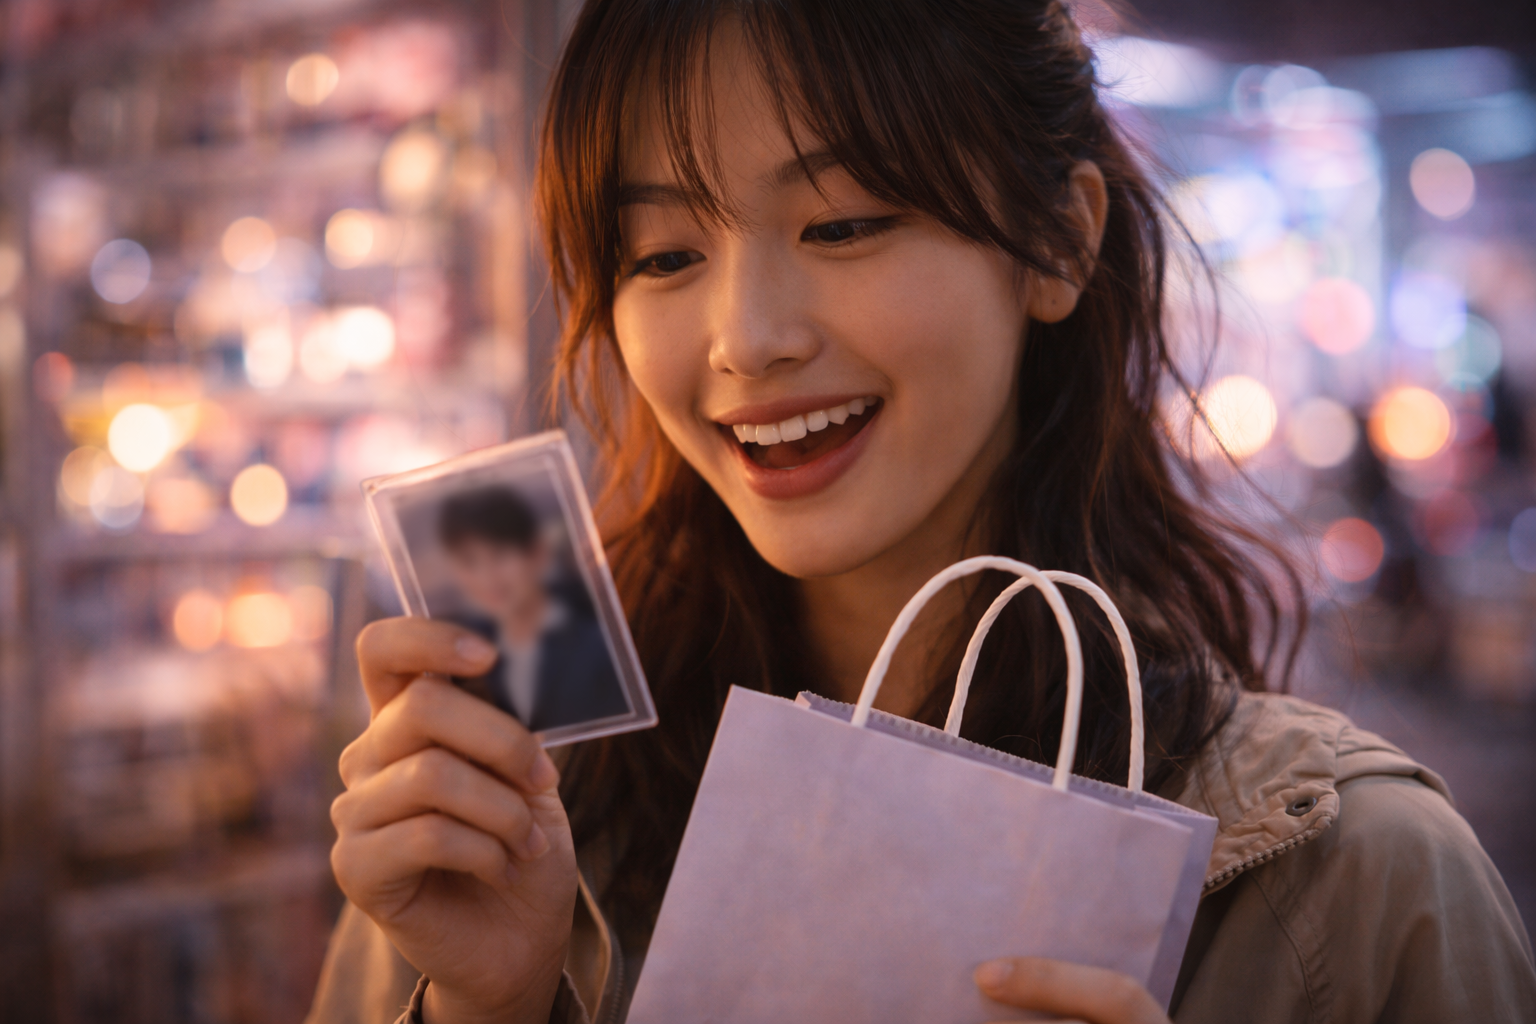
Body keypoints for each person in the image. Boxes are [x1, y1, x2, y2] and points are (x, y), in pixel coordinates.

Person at [311, 2, 1536, 1022]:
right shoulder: (509, 820)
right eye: (664, 254)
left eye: (844, 222)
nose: (748, 338)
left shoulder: (1358, 888)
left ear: (1057, 239)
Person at [434, 485, 629, 732]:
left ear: (537, 553)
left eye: (500, 554)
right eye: (469, 561)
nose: (487, 577)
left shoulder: (602, 645)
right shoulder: (460, 655)